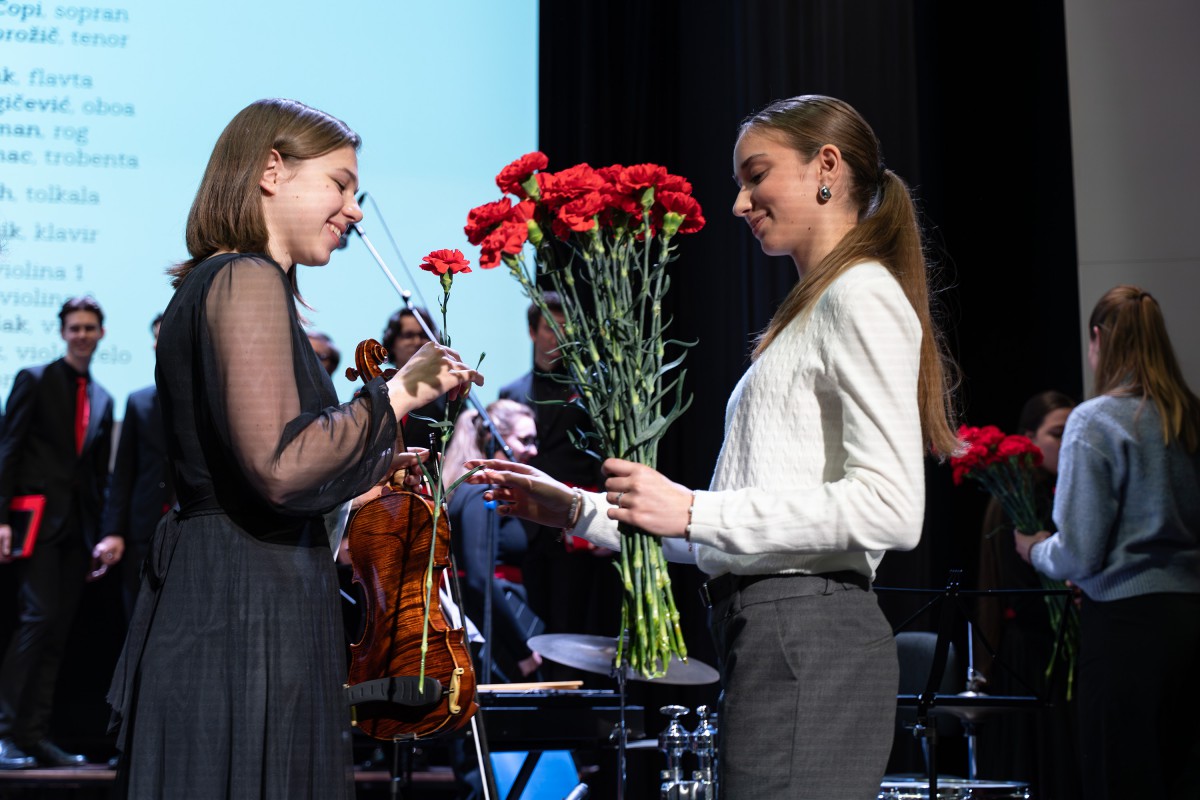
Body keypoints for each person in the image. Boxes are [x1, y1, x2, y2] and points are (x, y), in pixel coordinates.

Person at [467, 95, 959, 798]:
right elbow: (728, 535)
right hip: (776, 634)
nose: (739, 203)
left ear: (827, 166)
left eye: (756, 176)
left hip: (806, 637)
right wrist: (576, 510)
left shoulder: (859, 294)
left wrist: (695, 511)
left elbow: (891, 509)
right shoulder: (819, 306)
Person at [105, 98, 482, 799]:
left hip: (238, 592)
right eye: (341, 184)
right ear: (272, 172)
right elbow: (279, 470)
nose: (355, 211)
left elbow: (260, 468)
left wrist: (359, 479)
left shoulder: (228, 281)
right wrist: (401, 392)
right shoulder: (244, 277)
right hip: (241, 606)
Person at [1015, 286, 1200, 800]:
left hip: (1125, 632)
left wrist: (1035, 549)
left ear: (1097, 338)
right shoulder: (1190, 415)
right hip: (1191, 623)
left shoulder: (1094, 420)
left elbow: (1080, 551)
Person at [0, 296, 117, 769]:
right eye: (75, 328)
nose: (82, 335)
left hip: (78, 532)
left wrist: (102, 534)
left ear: (101, 333)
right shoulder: (34, 379)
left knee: (57, 633)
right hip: (36, 525)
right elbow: (9, 449)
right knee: (37, 620)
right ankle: (6, 733)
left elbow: (99, 478)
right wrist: (1, 519)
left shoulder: (103, 397)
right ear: (63, 332)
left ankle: (34, 735)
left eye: (90, 327)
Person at [498, 295, 616, 682]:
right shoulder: (512, 392)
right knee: (532, 620)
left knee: (574, 621)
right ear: (532, 332)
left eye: (565, 328)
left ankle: (573, 701)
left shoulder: (589, 388)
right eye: (550, 327)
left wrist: (604, 516)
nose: (558, 336)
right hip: (527, 526)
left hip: (573, 522)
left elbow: (602, 454)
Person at [975, 390, 1080, 799]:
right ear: (1029, 439)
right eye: (1058, 433)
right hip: (1032, 659)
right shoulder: (1017, 502)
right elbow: (1022, 597)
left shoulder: (1065, 493)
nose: (1068, 442)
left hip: (1057, 651)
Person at [443, 399, 543, 683]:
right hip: (499, 639)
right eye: (525, 440)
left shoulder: (477, 489)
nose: (534, 451)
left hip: (499, 631)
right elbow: (479, 579)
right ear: (493, 438)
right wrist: (521, 650)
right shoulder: (482, 492)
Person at [100, 313, 173, 621]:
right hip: (142, 528)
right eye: (157, 337)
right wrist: (114, 531)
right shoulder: (138, 401)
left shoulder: (208, 399)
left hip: (190, 528)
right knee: (138, 617)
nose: (162, 343)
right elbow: (123, 473)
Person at [382, 306, 447, 450]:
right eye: (408, 335)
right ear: (392, 343)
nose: (417, 341)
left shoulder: (445, 391)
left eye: (423, 335)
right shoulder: (372, 392)